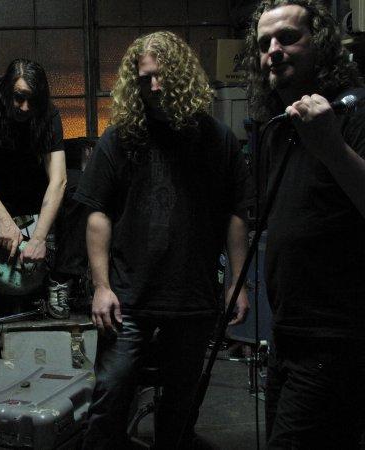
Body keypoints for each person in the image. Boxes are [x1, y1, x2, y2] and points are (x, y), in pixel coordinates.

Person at [75, 31, 253, 449]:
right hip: (128, 299)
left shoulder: (217, 139)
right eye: (145, 79)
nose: (154, 86)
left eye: (162, 76)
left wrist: (238, 282)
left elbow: (236, 214)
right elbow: (97, 213)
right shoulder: (121, 138)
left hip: (193, 299)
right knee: (110, 398)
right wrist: (101, 286)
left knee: (181, 407)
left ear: (182, 77)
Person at [245, 1, 365, 448]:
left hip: (334, 339)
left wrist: (332, 146)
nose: (273, 50)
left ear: (322, 45)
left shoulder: (354, 111)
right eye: (264, 44)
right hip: (287, 335)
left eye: (288, 38)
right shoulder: (280, 126)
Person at [0, 58, 86, 322]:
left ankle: (61, 279)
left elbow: (58, 180)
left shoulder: (48, 113)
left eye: (32, 100)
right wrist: (4, 220)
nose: (25, 107)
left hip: (30, 187)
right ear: (6, 89)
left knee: (79, 186)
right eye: (19, 98)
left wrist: (38, 238)